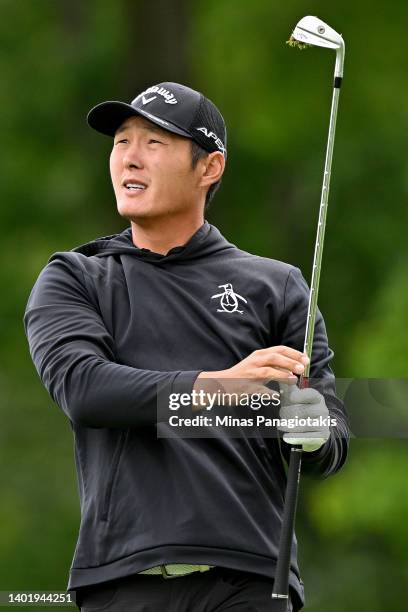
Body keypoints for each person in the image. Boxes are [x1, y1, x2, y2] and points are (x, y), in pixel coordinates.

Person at [24, 82, 349, 611]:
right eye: (121, 141)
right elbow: (86, 391)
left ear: (209, 167)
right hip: (123, 578)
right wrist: (222, 386)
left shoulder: (278, 287)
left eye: (154, 143)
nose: (130, 157)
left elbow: (331, 439)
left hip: (249, 577)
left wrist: (310, 425)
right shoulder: (75, 278)